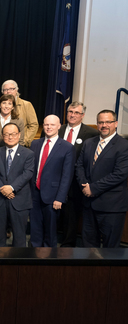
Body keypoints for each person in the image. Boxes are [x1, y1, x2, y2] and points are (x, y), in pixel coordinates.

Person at [75, 110, 128, 248]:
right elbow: (79, 166)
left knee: (110, 250)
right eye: (100, 122)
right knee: (88, 247)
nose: (104, 125)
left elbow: (119, 174)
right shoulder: (89, 143)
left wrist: (93, 188)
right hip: (89, 204)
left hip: (111, 207)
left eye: (108, 122)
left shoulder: (124, 145)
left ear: (115, 124)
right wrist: (84, 186)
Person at [29, 115, 75, 247]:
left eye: (52, 125)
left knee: (50, 231)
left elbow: (67, 176)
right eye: (46, 125)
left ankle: (49, 259)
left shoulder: (67, 147)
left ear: (59, 126)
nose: (48, 127)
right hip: (34, 193)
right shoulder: (35, 143)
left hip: (53, 196)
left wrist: (60, 198)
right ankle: (34, 255)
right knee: (35, 228)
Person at [58, 101, 99, 247]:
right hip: (56, 179)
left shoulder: (92, 134)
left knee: (71, 213)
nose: (72, 115)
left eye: (76, 113)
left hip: (76, 181)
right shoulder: (58, 129)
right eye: (70, 111)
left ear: (82, 115)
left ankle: (68, 244)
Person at [0, 123, 35, 247]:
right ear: (2, 135)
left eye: (13, 134)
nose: (10, 137)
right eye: (7, 134)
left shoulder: (28, 154)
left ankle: (18, 264)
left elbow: (27, 174)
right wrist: (2, 189)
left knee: (19, 237)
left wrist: (11, 188)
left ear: (19, 135)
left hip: (19, 199)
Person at [0, 80, 38, 147]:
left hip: (19, 144)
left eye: (11, 89)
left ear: (16, 90)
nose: (8, 91)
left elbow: (33, 125)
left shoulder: (26, 105)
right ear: (2, 92)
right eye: (5, 89)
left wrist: (25, 140)